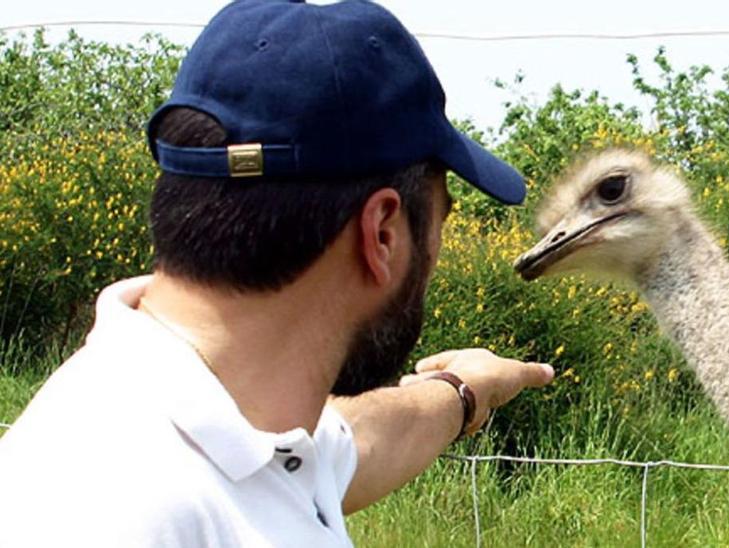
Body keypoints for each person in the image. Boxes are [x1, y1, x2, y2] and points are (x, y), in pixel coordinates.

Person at [0, 1, 554, 545]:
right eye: (441, 217)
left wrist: (463, 392)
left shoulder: (231, 429)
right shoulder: (115, 515)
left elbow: (355, 442)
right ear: (383, 233)